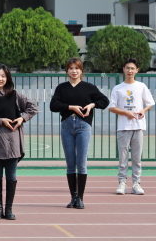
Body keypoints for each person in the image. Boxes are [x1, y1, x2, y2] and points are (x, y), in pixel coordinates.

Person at [0, 63, 38, 220]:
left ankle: (9, 210)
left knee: (11, 177)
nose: (0, 79)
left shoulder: (15, 95)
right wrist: (1, 120)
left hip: (12, 144)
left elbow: (33, 108)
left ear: (8, 78)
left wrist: (22, 118)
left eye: (3, 76)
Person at [49, 58, 109, 209]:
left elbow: (105, 101)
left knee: (81, 164)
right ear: (67, 71)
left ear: (81, 70)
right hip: (67, 126)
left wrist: (92, 104)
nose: (74, 71)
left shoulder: (89, 87)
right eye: (71, 68)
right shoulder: (62, 88)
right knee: (70, 164)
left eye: (77, 68)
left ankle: (80, 198)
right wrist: (71, 107)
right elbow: (53, 105)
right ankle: (73, 197)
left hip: (84, 126)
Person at [108, 58, 155, 195]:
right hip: (123, 127)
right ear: (123, 69)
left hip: (138, 126)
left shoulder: (141, 86)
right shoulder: (118, 88)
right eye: (127, 68)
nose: (130, 70)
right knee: (123, 158)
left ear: (137, 70)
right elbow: (112, 107)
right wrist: (125, 113)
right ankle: (122, 183)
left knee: (136, 158)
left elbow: (150, 103)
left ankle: (136, 183)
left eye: (132, 68)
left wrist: (143, 111)